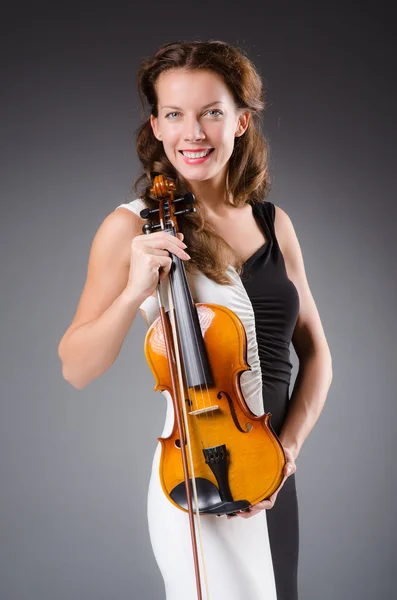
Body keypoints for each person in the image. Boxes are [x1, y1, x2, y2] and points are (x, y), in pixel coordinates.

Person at [58, 40, 333, 600]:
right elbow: (76, 367)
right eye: (175, 114)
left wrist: (289, 451)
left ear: (241, 121)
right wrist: (136, 286)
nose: (194, 133)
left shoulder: (274, 223)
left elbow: (318, 355)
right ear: (156, 126)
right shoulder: (129, 228)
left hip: (273, 473)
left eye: (211, 111)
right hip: (198, 475)